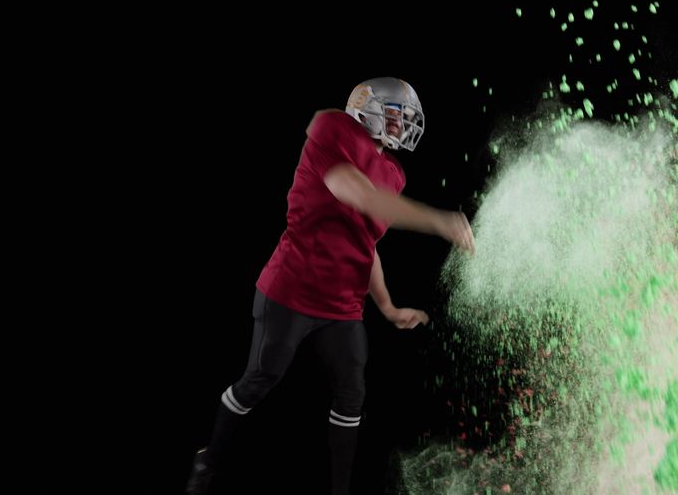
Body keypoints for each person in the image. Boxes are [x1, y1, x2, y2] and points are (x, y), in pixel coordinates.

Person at [186, 77, 475, 495]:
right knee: (259, 380)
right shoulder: (333, 128)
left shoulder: (393, 172)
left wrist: (389, 307)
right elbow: (355, 193)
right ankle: (208, 462)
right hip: (292, 291)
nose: (399, 124)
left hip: (343, 306)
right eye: (393, 112)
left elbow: (366, 245)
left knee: (352, 394)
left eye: (406, 118)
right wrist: (438, 221)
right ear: (366, 106)